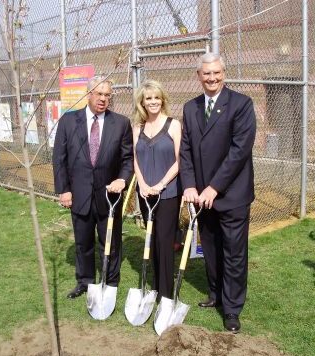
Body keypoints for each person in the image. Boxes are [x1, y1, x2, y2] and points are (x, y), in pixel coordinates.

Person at [180, 53, 256, 332]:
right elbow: (185, 149)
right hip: (201, 197)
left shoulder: (241, 104)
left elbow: (239, 152)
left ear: (224, 73)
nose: (212, 78)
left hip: (231, 194)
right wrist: (189, 184)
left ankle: (232, 308)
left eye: (217, 73)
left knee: (234, 252)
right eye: (206, 74)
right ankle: (215, 294)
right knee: (210, 248)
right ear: (198, 76)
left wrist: (214, 186)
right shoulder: (190, 108)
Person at [53, 76, 133, 299]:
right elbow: (59, 158)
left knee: (111, 241)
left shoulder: (121, 123)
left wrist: (123, 179)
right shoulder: (69, 122)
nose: (103, 99)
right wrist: (64, 189)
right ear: (89, 94)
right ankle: (85, 281)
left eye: (107, 95)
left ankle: (110, 281)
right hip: (79, 194)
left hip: (110, 196)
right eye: (99, 94)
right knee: (83, 241)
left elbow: (127, 159)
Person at [133, 80, 182, 301]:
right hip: (145, 193)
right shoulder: (137, 128)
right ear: (142, 102)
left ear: (162, 100)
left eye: (156, 97)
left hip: (168, 192)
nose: (153, 102)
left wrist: (161, 184)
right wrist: (142, 184)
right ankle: (155, 285)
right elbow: (134, 159)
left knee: (164, 239)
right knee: (152, 238)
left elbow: (180, 160)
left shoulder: (173, 125)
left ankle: (165, 293)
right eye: (148, 98)